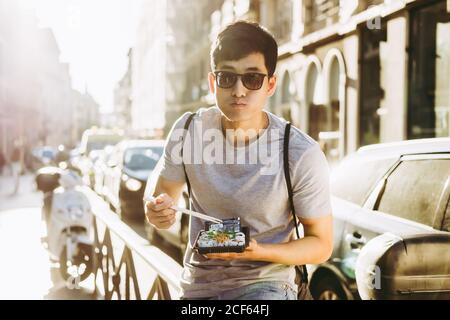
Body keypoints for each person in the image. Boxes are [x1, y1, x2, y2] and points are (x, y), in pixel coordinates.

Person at [144, 21, 333, 300]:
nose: (239, 90)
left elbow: (321, 244)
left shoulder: (299, 151)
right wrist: (156, 210)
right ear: (213, 82)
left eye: (252, 79)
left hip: (267, 286)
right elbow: (162, 198)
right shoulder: (188, 130)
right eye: (227, 77)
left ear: (270, 84)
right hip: (198, 286)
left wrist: (258, 251)